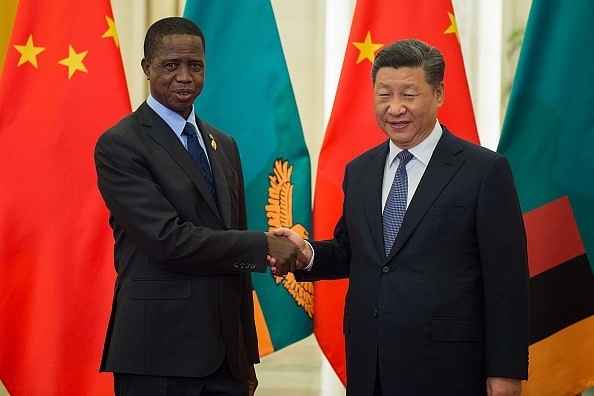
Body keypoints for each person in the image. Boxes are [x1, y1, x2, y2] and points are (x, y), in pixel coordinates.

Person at [273, 39, 529, 395]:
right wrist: (307, 254)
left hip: (450, 369)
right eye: (384, 95)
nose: (395, 109)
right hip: (370, 364)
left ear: (438, 94)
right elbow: (355, 251)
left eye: (408, 95)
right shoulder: (360, 170)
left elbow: (507, 280)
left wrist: (506, 370)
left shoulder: (484, 171)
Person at [94, 16, 301, 396]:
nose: (185, 77)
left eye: (196, 65)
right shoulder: (120, 144)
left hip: (226, 361)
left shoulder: (224, 144)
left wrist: (246, 356)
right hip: (158, 355)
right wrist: (264, 246)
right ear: (147, 68)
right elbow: (167, 240)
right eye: (171, 65)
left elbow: (234, 252)